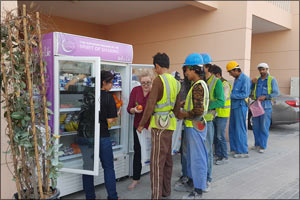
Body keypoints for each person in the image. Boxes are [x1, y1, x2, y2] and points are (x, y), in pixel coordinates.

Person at [66, 71, 119, 200]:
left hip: (85, 136)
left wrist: (81, 75)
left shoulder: (87, 91)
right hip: (102, 137)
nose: (112, 85)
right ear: (103, 83)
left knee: (88, 168)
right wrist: (118, 112)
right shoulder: (108, 97)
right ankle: (113, 197)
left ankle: (90, 197)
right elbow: (110, 120)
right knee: (108, 168)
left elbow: (67, 86)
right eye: (110, 82)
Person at [137, 52, 181, 199]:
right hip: (170, 125)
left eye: (154, 67)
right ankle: (166, 192)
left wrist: (142, 124)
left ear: (157, 66)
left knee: (156, 163)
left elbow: (150, 105)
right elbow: (176, 109)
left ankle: (155, 196)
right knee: (167, 159)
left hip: (159, 126)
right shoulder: (176, 82)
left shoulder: (158, 80)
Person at [177, 53, 210, 199]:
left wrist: (182, 113)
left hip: (196, 126)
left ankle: (198, 190)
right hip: (194, 126)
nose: (185, 73)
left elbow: (198, 110)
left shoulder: (198, 86)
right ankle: (191, 182)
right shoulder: (197, 85)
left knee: (198, 158)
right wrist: (184, 104)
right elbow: (195, 104)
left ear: (194, 69)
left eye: (187, 70)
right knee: (192, 157)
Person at [127, 70, 153, 190]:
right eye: (143, 83)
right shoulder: (135, 90)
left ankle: (154, 177)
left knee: (153, 152)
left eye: (148, 82)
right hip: (138, 127)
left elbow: (157, 110)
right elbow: (129, 108)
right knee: (138, 152)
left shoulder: (154, 92)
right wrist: (134, 110)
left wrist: (151, 124)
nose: (146, 85)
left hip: (151, 127)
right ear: (139, 82)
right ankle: (135, 179)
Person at [202, 54, 225, 192]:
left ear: (207, 67)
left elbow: (221, 101)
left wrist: (206, 104)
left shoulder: (216, 82)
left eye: (201, 66)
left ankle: (208, 178)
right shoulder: (201, 80)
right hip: (198, 121)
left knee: (208, 151)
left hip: (208, 121)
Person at [250, 63, 279, 153]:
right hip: (257, 106)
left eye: (263, 69)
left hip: (266, 107)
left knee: (264, 127)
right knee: (256, 126)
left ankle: (263, 146)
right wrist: (252, 83)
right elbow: (251, 91)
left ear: (267, 69)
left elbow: (275, 93)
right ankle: (257, 144)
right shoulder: (257, 80)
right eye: (260, 70)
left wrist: (265, 97)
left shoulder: (272, 80)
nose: (261, 71)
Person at [226, 61, 251, 158]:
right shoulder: (236, 79)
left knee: (240, 129)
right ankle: (234, 149)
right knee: (232, 128)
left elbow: (245, 94)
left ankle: (243, 151)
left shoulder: (245, 79)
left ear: (236, 70)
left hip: (240, 107)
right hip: (234, 106)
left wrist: (231, 95)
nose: (230, 74)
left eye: (231, 72)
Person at [210, 65, 232, 165]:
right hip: (215, 114)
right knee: (216, 136)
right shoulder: (216, 83)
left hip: (222, 114)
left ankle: (225, 157)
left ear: (218, 75)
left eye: (212, 75)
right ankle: (218, 154)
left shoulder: (225, 84)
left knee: (220, 136)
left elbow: (221, 100)